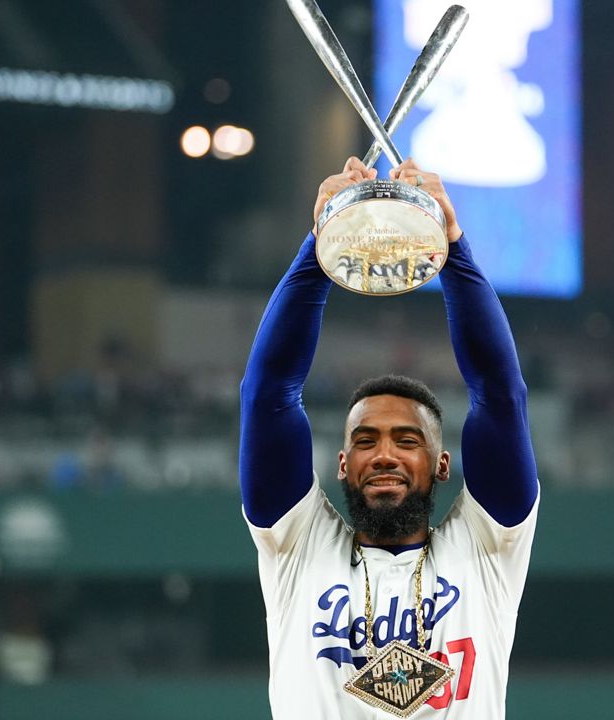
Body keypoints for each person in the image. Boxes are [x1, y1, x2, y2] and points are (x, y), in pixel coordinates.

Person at [239, 157, 539, 718]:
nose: (384, 454)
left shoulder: (489, 547)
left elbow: (499, 394)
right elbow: (268, 394)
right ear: (342, 464)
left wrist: (450, 243)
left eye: (407, 440)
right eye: (366, 440)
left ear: (443, 464)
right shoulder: (296, 546)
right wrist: (320, 243)